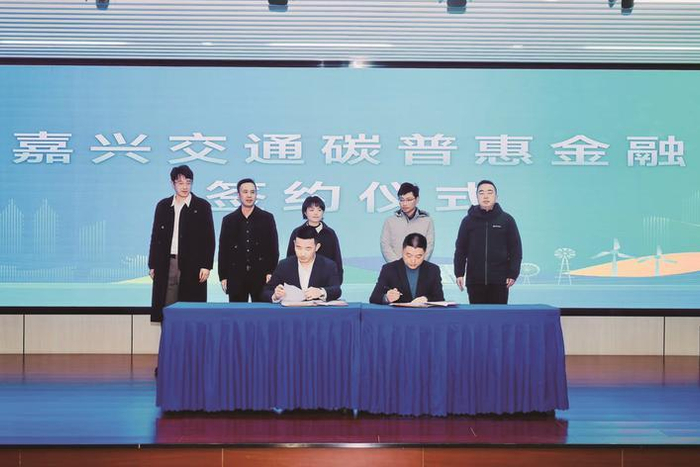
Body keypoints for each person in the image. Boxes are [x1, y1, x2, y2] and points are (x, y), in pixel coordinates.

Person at [148, 165, 215, 322]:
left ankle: (191, 339)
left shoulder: (202, 206)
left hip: (193, 264)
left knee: (191, 308)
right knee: (167, 306)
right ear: (172, 184)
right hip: (167, 262)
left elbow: (209, 238)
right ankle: (169, 338)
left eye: (188, 182)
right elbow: (156, 237)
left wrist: (206, 265)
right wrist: (153, 264)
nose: (185, 187)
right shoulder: (163, 206)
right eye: (180, 183)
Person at [453, 180, 522, 304]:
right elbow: (460, 250)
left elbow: (515, 250)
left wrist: (513, 273)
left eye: (490, 192)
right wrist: (459, 273)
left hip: (499, 281)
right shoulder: (468, 221)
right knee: (477, 315)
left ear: (496, 196)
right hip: (475, 281)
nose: (485, 196)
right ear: (476, 196)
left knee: (498, 315)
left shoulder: (507, 220)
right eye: (481, 193)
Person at [218, 178, 279, 302]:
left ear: (256, 194)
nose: (249, 195)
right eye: (245, 192)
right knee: (237, 311)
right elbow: (223, 250)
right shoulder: (229, 220)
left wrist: (271, 272)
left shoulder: (267, 218)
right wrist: (223, 276)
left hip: (261, 274)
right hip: (235, 275)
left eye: (252, 192)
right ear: (238, 195)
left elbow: (273, 248)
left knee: (262, 310)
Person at [262, 225, 341, 303]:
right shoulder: (284, 265)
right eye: (298, 247)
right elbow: (266, 291)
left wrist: (321, 292)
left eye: (308, 249)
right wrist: (275, 295)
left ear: (317, 247)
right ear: (294, 244)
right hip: (291, 310)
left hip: (317, 310)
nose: (302, 253)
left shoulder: (328, 265)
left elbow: (336, 290)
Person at [370, 233, 444, 305]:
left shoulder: (433, 270)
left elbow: (440, 298)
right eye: (409, 256)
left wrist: (426, 299)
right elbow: (374, 298)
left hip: (423, 313)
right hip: (398, 313)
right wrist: (387, 298)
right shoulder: (389, 269)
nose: (413, 260)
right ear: (402, 251)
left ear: (424, 254)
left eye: (418, 256)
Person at [286, 195, 343, 282]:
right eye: (311, 210)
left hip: (325, 280)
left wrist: (337, 281)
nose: (316, 213)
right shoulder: (297, 232)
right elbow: (290, 257)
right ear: (305, 212)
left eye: (319, 210)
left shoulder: (330, 233)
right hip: (302, 279)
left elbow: (337, 258)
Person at [380, 182, 435, 262]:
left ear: (417, 199)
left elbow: (429, 246)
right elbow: (385, 246)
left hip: (419, 267)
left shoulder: (427, 221)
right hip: (395, 267)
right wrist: (397, 265)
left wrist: (416, 263)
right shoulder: (390, 221)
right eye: (401, 200)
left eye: (409, 200)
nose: (405, 203)